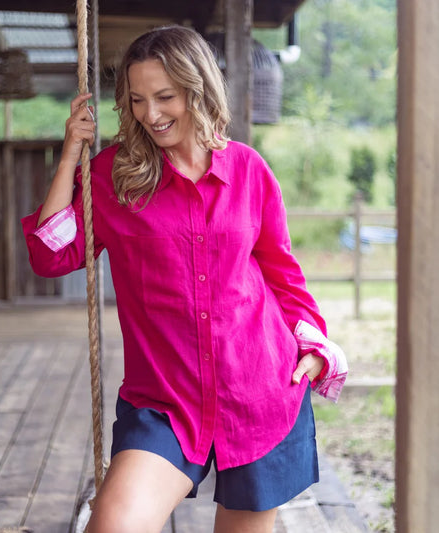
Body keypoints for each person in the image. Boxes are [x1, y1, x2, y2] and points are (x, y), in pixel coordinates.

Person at [22, 25, 347, 533]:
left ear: (198, 90)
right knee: (114, 524)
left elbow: (283, 275)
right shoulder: (114, 176)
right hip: (164, 399)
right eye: (136, 100)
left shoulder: (249, 171)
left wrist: (312, 344)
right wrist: (69, 157)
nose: (150, 114)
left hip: (261, 390)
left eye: (165, 96)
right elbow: (51, 255)